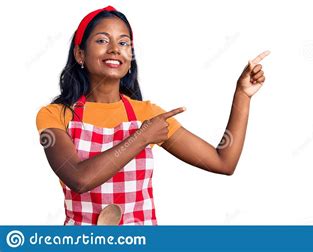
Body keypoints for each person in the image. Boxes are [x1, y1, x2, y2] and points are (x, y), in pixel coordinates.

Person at [36, 6, 270, 225]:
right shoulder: (56, 115)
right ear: (80, 54)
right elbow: (79, 179)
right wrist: (143, 136)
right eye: (102, 40)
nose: (115, 49)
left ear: (130, 59)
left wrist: (242, 95)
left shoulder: (147, 114)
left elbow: (223, 162)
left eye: (124, 43)